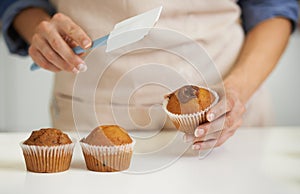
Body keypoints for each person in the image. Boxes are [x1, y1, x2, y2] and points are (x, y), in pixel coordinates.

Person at [0, 0, 298, 151]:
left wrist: (236, 91)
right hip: (92, 110)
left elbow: (273, 7)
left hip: (225, 110)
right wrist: (41, 30)